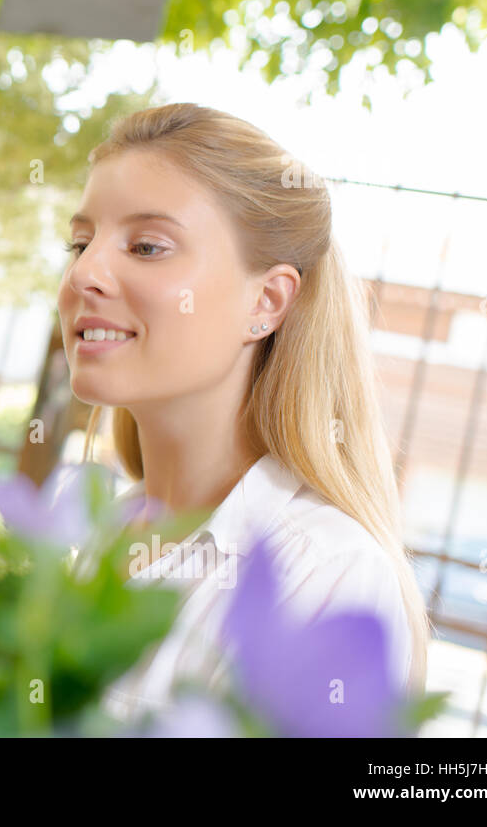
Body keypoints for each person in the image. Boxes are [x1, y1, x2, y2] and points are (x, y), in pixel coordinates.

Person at [59, 103, 430, 726]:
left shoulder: (326, 571)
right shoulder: (108, 531)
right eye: (80, 242)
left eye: (147, 246)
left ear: (267, 300)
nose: (85, 272)